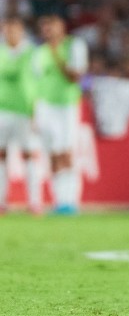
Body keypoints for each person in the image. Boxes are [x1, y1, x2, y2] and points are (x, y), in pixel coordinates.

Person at [31, 13, 88, 214]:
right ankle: (59, 201)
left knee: (66, 152)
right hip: (45, 106)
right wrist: (33, 112)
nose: (48, 30)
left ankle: (71, 200)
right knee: (52, 154)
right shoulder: (39, 52)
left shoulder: (75, 46)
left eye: (52, 25)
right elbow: (35, 83)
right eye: (45, 27)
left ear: (62, 26)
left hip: (66, 105)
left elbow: (74, 76)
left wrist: (57, 55)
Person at [0, 17, 39, 213]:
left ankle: (34, 201)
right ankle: (1, 201)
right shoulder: (1, 51)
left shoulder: (32, 53)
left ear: (22, 31)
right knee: (1, 155)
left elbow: (39, 82)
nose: (10, 34)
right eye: (7, 30)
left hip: (24, 110)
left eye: (14, 30)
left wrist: (36, 109)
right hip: (2, 109)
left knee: (29, 155)